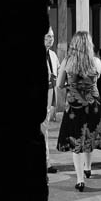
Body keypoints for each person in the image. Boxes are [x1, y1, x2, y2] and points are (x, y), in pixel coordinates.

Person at [56, 31, 101, 192]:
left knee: (76, 140)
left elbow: (60, 84)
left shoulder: (68, 61)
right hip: (93, 105)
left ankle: (80, 179)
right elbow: (97, 79)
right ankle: (88, 167)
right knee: (90, 136)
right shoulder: (96, 62)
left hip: (74, 107)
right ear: (89, 45)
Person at [42, 26, 60, 175]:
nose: (50, 39)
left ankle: (46, 162)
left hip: (49, 96)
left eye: (52, 37)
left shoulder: (53, 55)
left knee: (44, 130)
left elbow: (58, 74)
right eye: (47, 36)